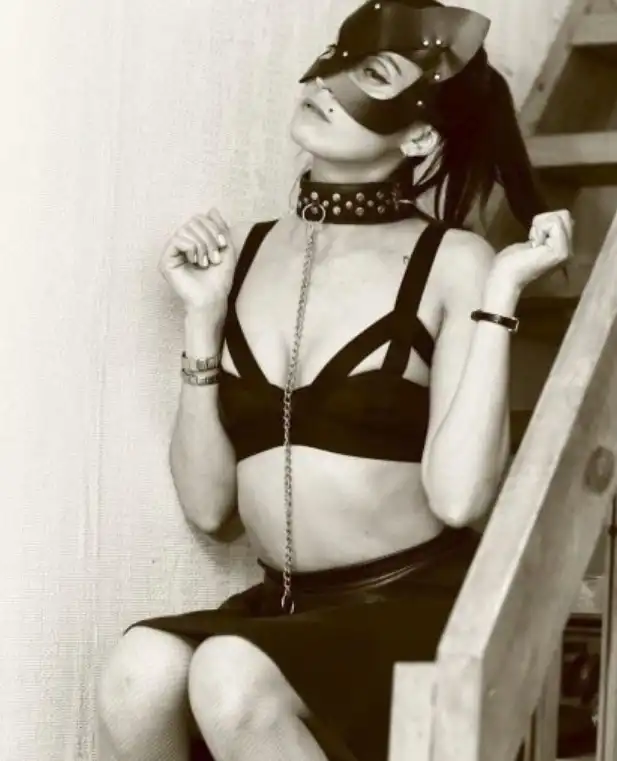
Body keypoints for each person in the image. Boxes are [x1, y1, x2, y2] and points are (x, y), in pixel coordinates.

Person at [96, 2, 573, 761]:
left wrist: (503, 293)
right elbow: (210, 507)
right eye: (335, 59)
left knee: (229, 673)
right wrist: (201, 318)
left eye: (371, 74)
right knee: (138, 673)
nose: (327, 83)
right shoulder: (247, 253)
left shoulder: (453, 261)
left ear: (418, 136)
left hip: (412, 605)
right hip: (287, 608)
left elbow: (460, 499)